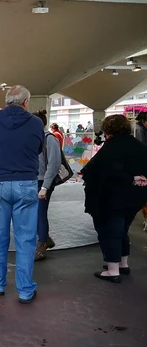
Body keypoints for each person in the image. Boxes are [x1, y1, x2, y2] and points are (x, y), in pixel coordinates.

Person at [0, 85, 44, 304]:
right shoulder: (36, 123)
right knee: (26, 238)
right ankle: (25, 289)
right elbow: (38, 148)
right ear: (26, 102)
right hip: (26, 182)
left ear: (6, 101)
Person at [80, 115, 147, 283]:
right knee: (123, 230)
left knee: (110, 231)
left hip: (112, 197)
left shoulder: (111, 148)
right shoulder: (137, 145)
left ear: (108, 128)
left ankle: (112, 270)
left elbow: (106, 171)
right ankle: (123, 264)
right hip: (135, 197)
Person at [33, 110, 61, 261]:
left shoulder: (49, 138)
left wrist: (45, 186)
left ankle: (42, 243)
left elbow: (54, 164)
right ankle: (45, 238)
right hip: (33, 180)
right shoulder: (32, 138)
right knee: (35, 213)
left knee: (40, 213)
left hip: (43, 181)